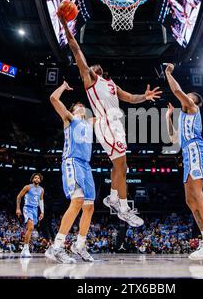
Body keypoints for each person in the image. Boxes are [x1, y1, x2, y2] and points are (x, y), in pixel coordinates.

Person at [57, 11, 162, 227]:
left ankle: (113, 198)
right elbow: (76, 49)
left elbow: (131, 98)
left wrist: (146, 96)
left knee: (119, 167)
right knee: (121, 165)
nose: (91, 69)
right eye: (89, 69)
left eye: (95, 69)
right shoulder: (90, 81)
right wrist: (65, 25)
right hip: (106, 124)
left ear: (102, 71)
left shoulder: (112, 85)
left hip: (116, 125)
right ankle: (122, 208)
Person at [164, 63, 203, 260]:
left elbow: (176, 90)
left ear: (194, 102)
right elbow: (173, 139)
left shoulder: (192, 108)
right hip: (186, 152)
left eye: (189, 96)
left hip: (196, 149)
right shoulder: (183, 117)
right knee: (189, 199)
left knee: (197, 192)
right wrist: (168, 117)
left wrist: (168, 73)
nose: (185, 97)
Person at [46, 81, 96, 263]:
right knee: (77, 201)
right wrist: (64, 86)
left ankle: (79, 245)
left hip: (86, 166)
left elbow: (105, 112)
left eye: (84, 106)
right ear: (73, 110)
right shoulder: (69, 119)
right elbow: (53, 98)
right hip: (72, 162)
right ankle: (56, 247)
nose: (82, 107)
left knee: (89, 207)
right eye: (79, 106)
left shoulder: (89, 124)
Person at [16, 173, 45, 258]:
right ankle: (26, 249)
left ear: (40, 180)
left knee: (30, 229)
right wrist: (18, 208)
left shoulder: (41, 190)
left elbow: (41, 201)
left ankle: (24, 249)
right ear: (33, 179)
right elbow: (19, 197)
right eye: (35, 177)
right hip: (27, 208)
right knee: (31, 227)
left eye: (38, 178)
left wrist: (42, 212)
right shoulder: (27, 187)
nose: (36, 179)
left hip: (35, 210)